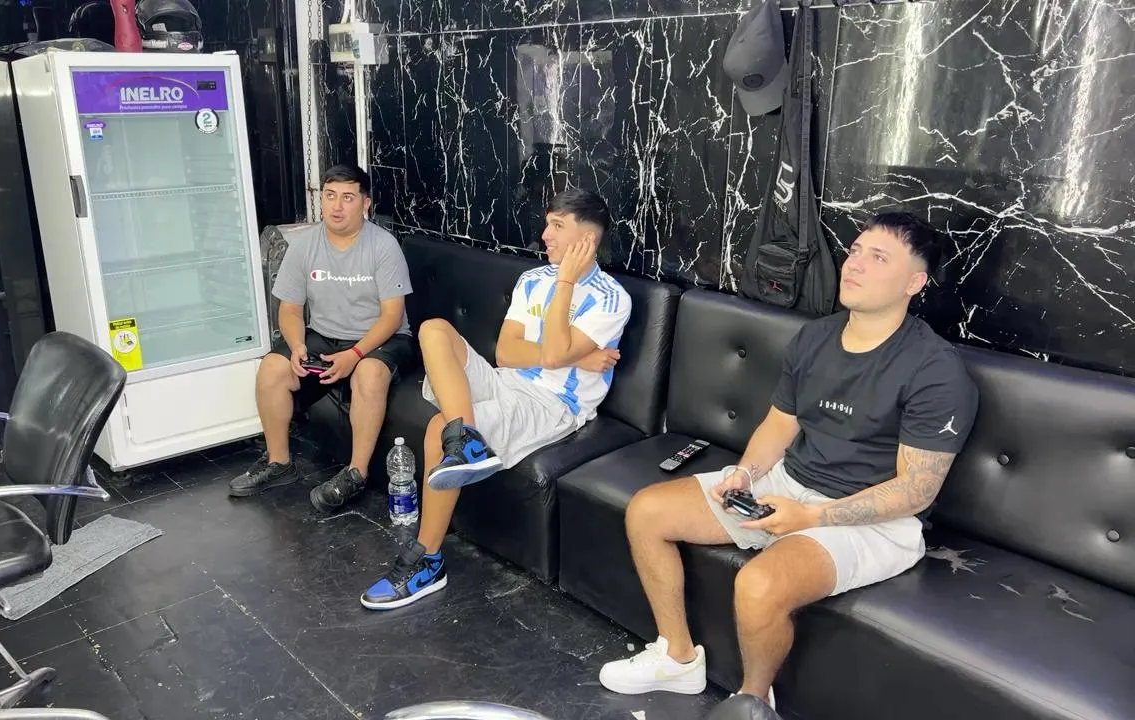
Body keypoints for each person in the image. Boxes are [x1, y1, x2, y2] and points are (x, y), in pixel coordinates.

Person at [597, 212, 979, 707]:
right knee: (648, 511)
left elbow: (915, 491)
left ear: (914, 283)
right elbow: (780, 425)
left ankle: (752, 703)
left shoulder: (935, 369)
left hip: (875, 521)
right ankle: (677, 657)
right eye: (856, 250)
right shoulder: (817, 337)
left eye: (878, 257)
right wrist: (744, 473)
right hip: (789, 484)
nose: (855, 264)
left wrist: (812, 516)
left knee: (758, 585)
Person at [359, 188, 633, 610]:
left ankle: (427, 560)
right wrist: (578, 355)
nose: (544, 235)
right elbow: (506, 353)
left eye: (557, 226)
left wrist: (565, 283)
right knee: (433, 329)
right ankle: (466, 439)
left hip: (552, 403)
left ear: (587, 240)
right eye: (547, 223)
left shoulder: (612, 298)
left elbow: (553, 355)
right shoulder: (532, 279)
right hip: (506, 380)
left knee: (438, 428)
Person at [228, 164, 415, 513]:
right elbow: (290, 309)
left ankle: (356, 473)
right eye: (330, 196)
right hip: (324, 334)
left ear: (365, 204)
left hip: (381, 338)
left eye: (347, 198)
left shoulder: (383, 246)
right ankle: (279, 462)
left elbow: (392, 316)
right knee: (272, 368)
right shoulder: (305, 245)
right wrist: (297, 345)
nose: (336, 206)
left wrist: (355, 354)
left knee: (369, 372)